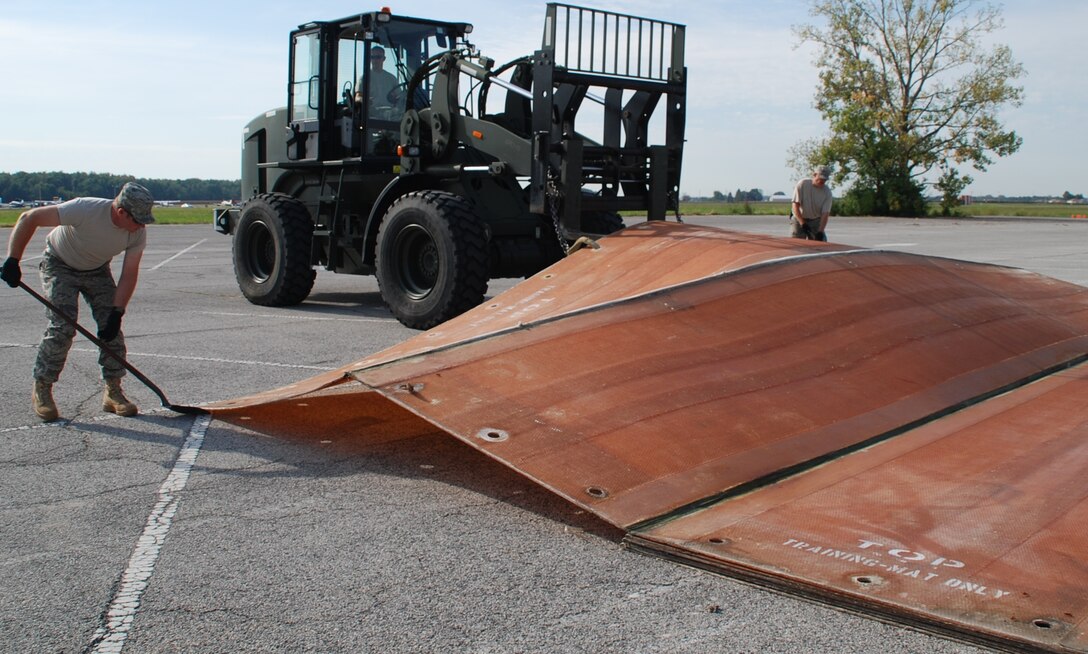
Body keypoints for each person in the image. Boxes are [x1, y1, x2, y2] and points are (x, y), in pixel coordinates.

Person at [1, 182, 155, 421]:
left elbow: (129, 272)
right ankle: (42, 388)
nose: (141, 225)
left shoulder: (136, 232)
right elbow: (28, 217)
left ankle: (113, 392)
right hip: (59, 264)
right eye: (138, 220)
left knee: (111, 328)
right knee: (63, 327)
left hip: (96, 270)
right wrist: (13, 259)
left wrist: (117, 311)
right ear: (121, 212)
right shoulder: (84, 209)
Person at [354, 45, 401, 114]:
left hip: (390, 114)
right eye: (373, 57)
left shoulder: (391, 78)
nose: (375, 60)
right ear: (370, 59)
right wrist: (364, 100)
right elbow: (357, 97)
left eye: (378, 57)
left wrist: (395, 99)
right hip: (372, 114)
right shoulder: (364, 78)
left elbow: (400, 97)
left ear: (384, 58)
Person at [791, 166, 833, 241]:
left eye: (824, 179)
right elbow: (795, 205)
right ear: (814, 175)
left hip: (815, 220)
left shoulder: (827, 192)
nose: (822, 181)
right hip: (799, 217)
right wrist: (803, 223)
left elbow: (825, 214)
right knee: (797, 241)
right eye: (820, 178)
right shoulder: (803, 184)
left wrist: (821, 231)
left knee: (820, 242)